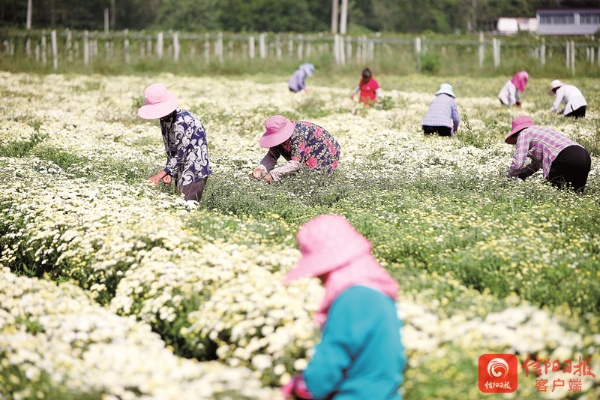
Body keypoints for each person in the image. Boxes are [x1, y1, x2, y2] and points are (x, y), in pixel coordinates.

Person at [281, 214, 406, 400]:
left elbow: (332, 359)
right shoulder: (377, 291)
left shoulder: (354, 298)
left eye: (321, 269)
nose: (318, 276)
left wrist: (299, 387)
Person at [138, 83, 212, 202]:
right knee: (179, 207)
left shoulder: (182, 121)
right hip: (181, 170)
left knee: (186, 208)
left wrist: (160, 174)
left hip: (194, 170)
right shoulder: (165, 119)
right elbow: (171, 149)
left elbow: (180, 154)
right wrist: (169, 173)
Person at [505, 115, 591, 193]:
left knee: (552, 193)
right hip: (584, 155)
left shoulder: (523, 133)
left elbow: (518, 163)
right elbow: (535, 165)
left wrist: (510, 178)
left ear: (516, 134)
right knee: (574, 195)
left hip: (566, 157)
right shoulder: (540, 131)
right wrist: (522, 175)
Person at [252, 115, 340, 183]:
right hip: (307, 153)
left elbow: (295, 164)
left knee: (315, 180)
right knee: (301, 176)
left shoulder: (297, 136)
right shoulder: (279, 141)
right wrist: (261, 169)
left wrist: (273, 175)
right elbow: (271, 156)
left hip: (324, 150)